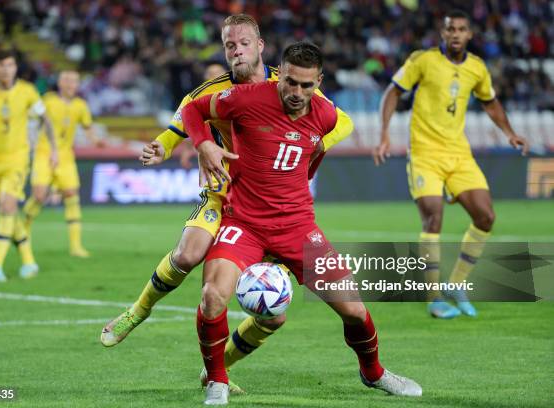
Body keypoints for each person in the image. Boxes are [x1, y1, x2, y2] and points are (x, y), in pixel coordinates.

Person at [100, 14, 354, 393]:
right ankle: (137, 312)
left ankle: (217, 370)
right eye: (229, 45)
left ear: (260, 46)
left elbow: (342, 122)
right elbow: (181, 124)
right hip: (224, 194)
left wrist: (314, 144)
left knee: (273, 315)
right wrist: (163, 147)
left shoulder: (288, 83)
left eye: (243, 43)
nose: (236, 51)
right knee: (189, 254)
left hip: (271, 206)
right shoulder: (210, 92)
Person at [184, 41, 422, 405]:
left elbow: (315, 153)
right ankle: (217, 380)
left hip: (298, 229)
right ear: (280, 74)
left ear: (319, 81)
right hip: (244, 223)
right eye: (290, 82)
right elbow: (193, 110)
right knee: (213, 296)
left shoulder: (325, 115)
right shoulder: (245, 99)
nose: (297, 93)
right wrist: (204, 145)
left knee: (356, 310)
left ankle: (373, 373)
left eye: (306, 85)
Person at [373, 9, 528, 319]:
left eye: (461, 29)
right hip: (425, 153)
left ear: (469, 34)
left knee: (486, 216)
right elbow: (393, 92)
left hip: (459, 154)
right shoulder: (423, 60)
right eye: (450, 29)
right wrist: (385, 134)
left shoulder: (477, 68)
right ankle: (433, 298)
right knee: (434, 217)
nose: (456, 33)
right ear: (442, 33)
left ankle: (457, 283)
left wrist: (510, 133)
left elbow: (490, 102)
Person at [0, 50, 58, 282]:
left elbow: (45, 119)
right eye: (2, 65)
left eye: (10, 65)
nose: (7, 69)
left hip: (17, 158)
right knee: (10, 211)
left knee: (7, 207)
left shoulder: (27, 91)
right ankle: (29, 261)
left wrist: (55, 150)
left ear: (15, 68)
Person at [22, 70, 103, 258]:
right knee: (39, 195)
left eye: (74, 81)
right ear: (59, 83)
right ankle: (22, 230)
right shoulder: (48, 100)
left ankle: (76, 247)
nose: (70, 84)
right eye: (66, 80)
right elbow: (31, 120)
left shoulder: (80, 105)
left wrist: (95, 140)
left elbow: (87, 126)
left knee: (71, 195)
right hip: (44, 152)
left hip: (66, 156)